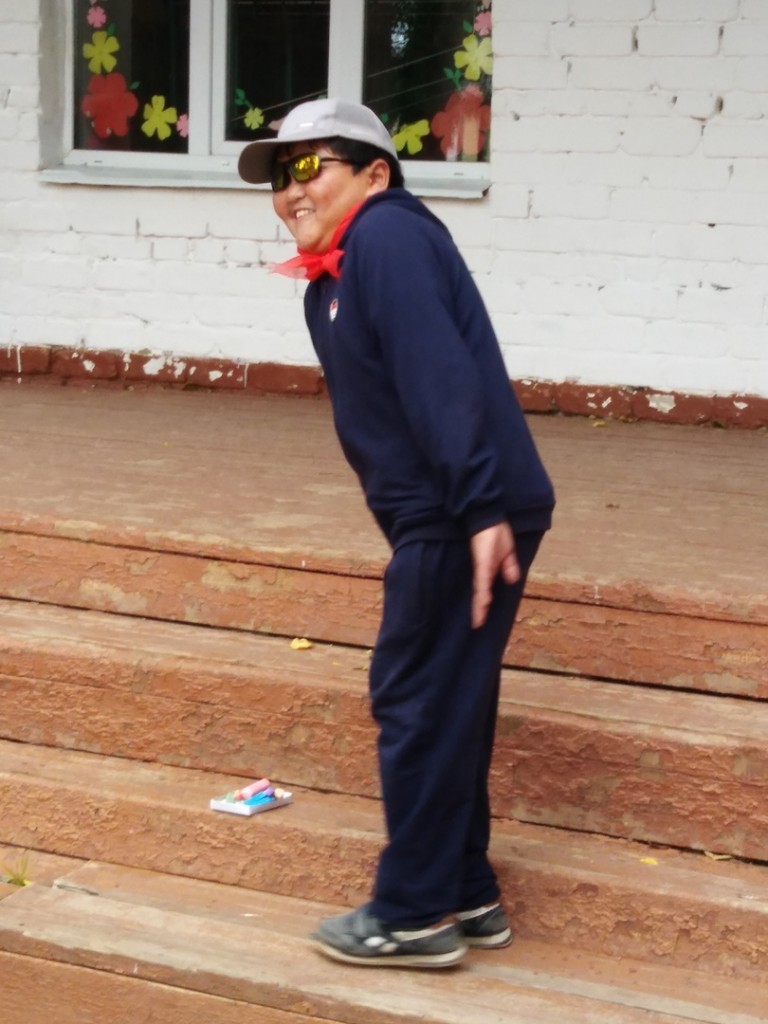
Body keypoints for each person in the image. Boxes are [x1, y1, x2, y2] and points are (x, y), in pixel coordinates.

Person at [238, 98, 555, 969]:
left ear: (376, 173)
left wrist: (480, 511)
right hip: (454, 509)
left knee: (412, 699)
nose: (291, 190)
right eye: (279, 175)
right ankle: (466, 891)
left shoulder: (388, 237)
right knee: (449, 702)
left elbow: (438, 377)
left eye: (312, 166)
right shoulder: (333, 279)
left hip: (460, 515)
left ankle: (412, 914)